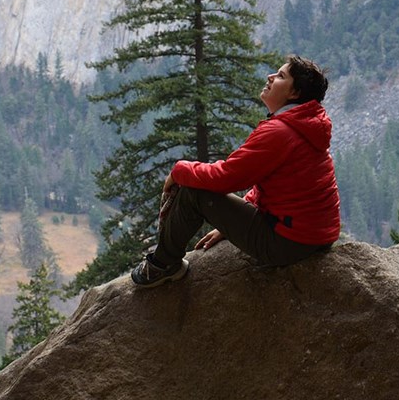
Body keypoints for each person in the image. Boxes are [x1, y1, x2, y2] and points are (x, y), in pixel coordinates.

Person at [131, 54, 340, 288]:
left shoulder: (281, 132)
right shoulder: (306, 125)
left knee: (194, 191)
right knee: (198, 185)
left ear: (294, 93)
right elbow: (273, 181)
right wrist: (231, 225)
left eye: (281, 76)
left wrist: (179, 170)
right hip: (314, 237)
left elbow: (227, 177)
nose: (270, 77)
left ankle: (163, 265)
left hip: (288, 243)